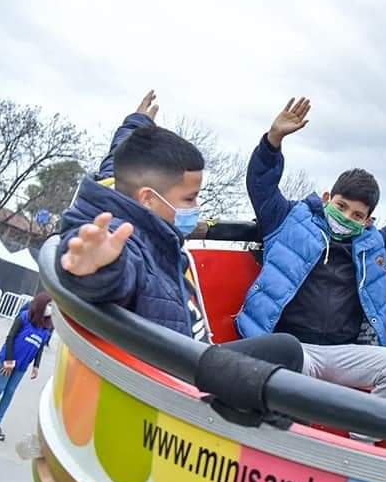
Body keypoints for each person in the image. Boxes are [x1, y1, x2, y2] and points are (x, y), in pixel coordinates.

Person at [235, 97, 386, 419]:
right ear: (327, 198)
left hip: (341, 354)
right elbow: (261, 186)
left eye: (357, 215)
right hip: (288, 347)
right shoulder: (288, 220)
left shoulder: (373, 246)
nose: (346, 217)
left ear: (367, 220)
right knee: (292, 365)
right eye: (341, 206)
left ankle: (363, 437)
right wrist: (273, 141)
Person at [57, 91, 304, 382]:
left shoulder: (119, 189)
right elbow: (116, 271)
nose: (196, 207)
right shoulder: (123, 238)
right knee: (286, 351)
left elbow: (119, 162)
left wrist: (137, 124)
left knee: (285, 351)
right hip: (173, 378)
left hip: (190, 346)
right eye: (189, 198)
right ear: (148, 198)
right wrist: (94, 268)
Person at [0, 293, 54, 440]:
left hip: (22, 366)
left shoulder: (47, 327)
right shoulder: (24, 317)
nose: (51, 309)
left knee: (9, 392)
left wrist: (36, 365)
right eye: (49, 305)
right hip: (7, 360)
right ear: (41, 304)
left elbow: (40, 347)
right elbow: (10, 338)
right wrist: (9, 360)